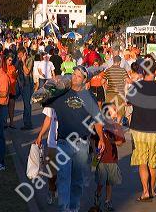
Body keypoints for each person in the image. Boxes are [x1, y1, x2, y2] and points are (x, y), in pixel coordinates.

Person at [35, 66, 106, 211]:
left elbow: (97, 120)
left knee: (77, 181)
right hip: (63, 143)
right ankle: (64, 209)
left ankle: (74, 208)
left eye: (79, 76)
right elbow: (40, 98)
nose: (75, 77)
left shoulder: (89, 96)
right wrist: (50, 84)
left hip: (82, 144)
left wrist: (101, 138)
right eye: (74, 74)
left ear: (85, 80)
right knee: (63, 179)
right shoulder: (61, 93)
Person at [127, 59, 156, 201]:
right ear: (155, 71)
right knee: (153, 162)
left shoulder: (135, 87)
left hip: (138, 128)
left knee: (142, 161)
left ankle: (145, 191)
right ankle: (152, 190)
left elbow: (128, 102)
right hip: (154, 129)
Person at [92, 102, 125, 211]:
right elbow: (92, 138)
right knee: (101, 181)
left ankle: (108, 201)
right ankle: (97, 195)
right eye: (114, 110)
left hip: (112, 157)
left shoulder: (116, 126)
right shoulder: (98, 125)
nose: (116, 111)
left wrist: (113, 141)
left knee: (109, 182)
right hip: (100, 158)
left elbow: (120, 142)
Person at [16, 47, 34, 130]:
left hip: (27, 84)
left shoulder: (30, 60)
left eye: (20, 55)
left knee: (27, 105)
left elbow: (27, 72)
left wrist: (23, 62)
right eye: (18, 55)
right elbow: (16, 70)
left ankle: (28, 124)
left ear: (25, 54)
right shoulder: (18, 61)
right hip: (21, 84)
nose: (19, 57)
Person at [4, 54, 17, 129]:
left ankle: (11, 122)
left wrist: (16, 75)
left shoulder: (13, 67)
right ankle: (5, 122)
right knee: (5, 107)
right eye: (9, 60)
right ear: (6, 60)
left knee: (11, 107)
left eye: (11, 60)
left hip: (12, 89)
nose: (10, 62)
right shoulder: (3, 68)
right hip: (5, 90)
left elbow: (15, 77)